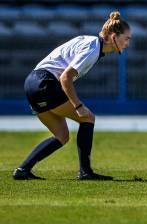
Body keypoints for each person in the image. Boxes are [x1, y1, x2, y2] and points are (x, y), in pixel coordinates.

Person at [13, 11, 131, 180]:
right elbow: (65, 77)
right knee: (88, 118)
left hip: (32, 83)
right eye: (126, 39)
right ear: (114, 36)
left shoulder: (90, 42)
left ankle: (22, 170)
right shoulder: (92, 49)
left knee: (62, 135)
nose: (128, 43)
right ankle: (85, 172)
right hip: (44, 83)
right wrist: (78, 106)